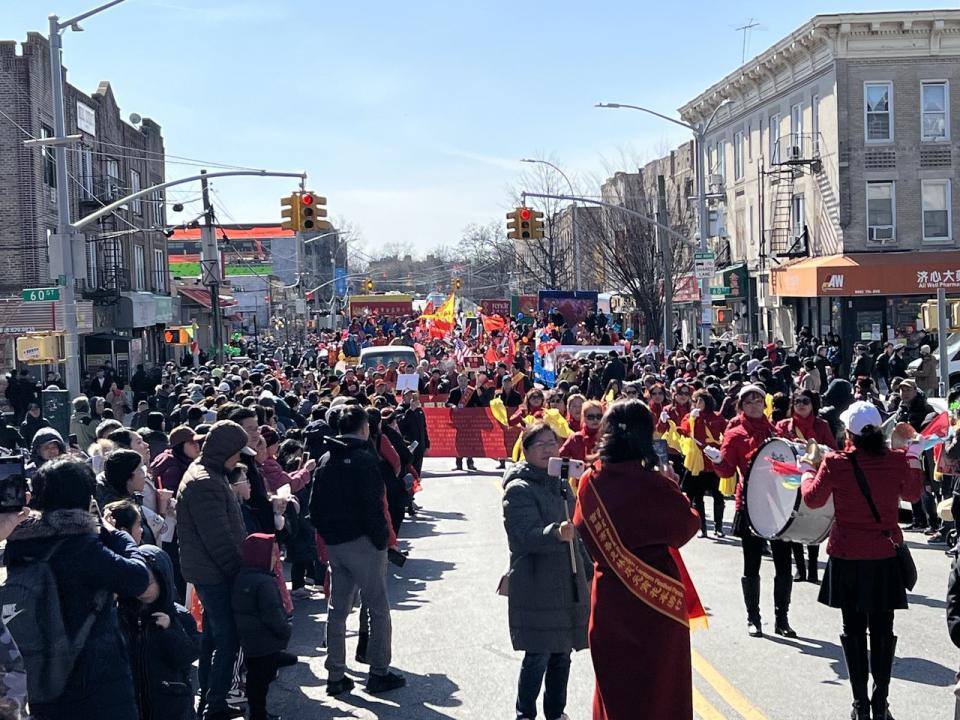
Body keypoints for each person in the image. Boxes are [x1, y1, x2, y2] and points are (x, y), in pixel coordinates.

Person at [573, 400, 701, 720]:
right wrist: (673, 486)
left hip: (611, 600)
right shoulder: (655, 483)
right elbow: (687, 526)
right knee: (662, 689)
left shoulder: (590, 481)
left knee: (617, 690)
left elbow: (581, 529)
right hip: (657, 600)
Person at [4, 457, 155, 720]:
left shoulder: (19, 542)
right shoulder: (82, 546)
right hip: (93, 678)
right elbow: (138, 578)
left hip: (41, 675)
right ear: (86, 496)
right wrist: (117, 535)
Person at [801, 401, 924, 720]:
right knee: (883, 630)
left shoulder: (835, 462)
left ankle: (860, 706)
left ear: (849, 432)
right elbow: (912, 495)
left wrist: (806, 470)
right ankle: (880, 703)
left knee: (852, 630)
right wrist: (912, 456)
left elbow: (812, 500)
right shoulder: (896, 461)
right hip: (883, 553)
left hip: (847, 554)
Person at [309, 404, 405, 696]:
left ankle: (335, 674)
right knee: (377, 608)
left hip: (336, 543)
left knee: (337, 610)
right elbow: (375, 507)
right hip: (364, 542)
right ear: (364, 428)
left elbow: (314, 507)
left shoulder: (326, 458)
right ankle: (378, 672)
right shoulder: (366, 460)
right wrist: (381, 541)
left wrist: (329, 536)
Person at [501, 423, 590, 720]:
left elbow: (578, 531)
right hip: (537, 582)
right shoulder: (518, 488)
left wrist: (589, 569)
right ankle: (525, 713)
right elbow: (521, 535)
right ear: (525, 451)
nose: (549, 449)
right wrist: (554, 532)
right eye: (540, 444)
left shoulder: (562, 483)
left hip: (567, 581)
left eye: (552, 443)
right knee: (538, 653)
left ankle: (556, 712)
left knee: (562, 655)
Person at [176, 420, 257, 720]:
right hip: (215, 575)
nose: (239, 459)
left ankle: (210, 700)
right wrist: (240, 574)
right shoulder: (205, 481)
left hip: (210, 572)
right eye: (236, 453)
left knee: (213, 638)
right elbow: (219, 540)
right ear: (225, 451)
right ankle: (215, 705)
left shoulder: (209, 473)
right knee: (226, 640)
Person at [706, 384, 796, 638]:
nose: (755, 406)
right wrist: (717, 461)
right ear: (741, 406)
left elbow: (790, 467)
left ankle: (782, 619)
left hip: (780, 503)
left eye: (758, 401)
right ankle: (753, 618)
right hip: (750, 503)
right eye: (749, 402)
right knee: (752, 563)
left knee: (783, 563)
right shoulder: (735, 434)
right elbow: (726, 471)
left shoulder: (776, 431)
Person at [117, 544, 200, 720]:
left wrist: (170, 630)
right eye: (137, 583)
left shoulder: (179, 616)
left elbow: (187, 655)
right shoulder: (123, 614)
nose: (142, 589)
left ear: (163, 580)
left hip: (171, 704)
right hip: (133, 702)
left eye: (149, 583)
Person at [776, 389, 839, 583]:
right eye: (797, 402)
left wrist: (816, 450)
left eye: (805, 401)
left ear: (813, 404)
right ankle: (800, 568)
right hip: (790, 477)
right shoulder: (783, 425)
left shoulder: (822, 425)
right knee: (794, 519)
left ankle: (812, 568)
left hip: (815, 475)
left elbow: (833, 450)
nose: (801, 405)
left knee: (813, 518)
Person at [232, 533, 296, 720]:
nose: (276, 557)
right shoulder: (265, 582)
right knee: (260, 682)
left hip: (251, 641)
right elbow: (273, 615)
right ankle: (259, 715)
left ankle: (258, 713)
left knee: (256, 678)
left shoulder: (244, 577)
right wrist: (286, 630)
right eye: (273, 554)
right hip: (264, 641)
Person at [678, 389, 727, 539]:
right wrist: (692, 420)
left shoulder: (717, 417)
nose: (696, 404)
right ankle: (702, 528)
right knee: (697, 497)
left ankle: (719, 527)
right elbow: (683, 432)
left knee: (718, 495)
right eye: (694, 401)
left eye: (699, 401)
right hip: (697, 462)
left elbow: (726, 435)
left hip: (713, 462)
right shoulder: (690, 416)